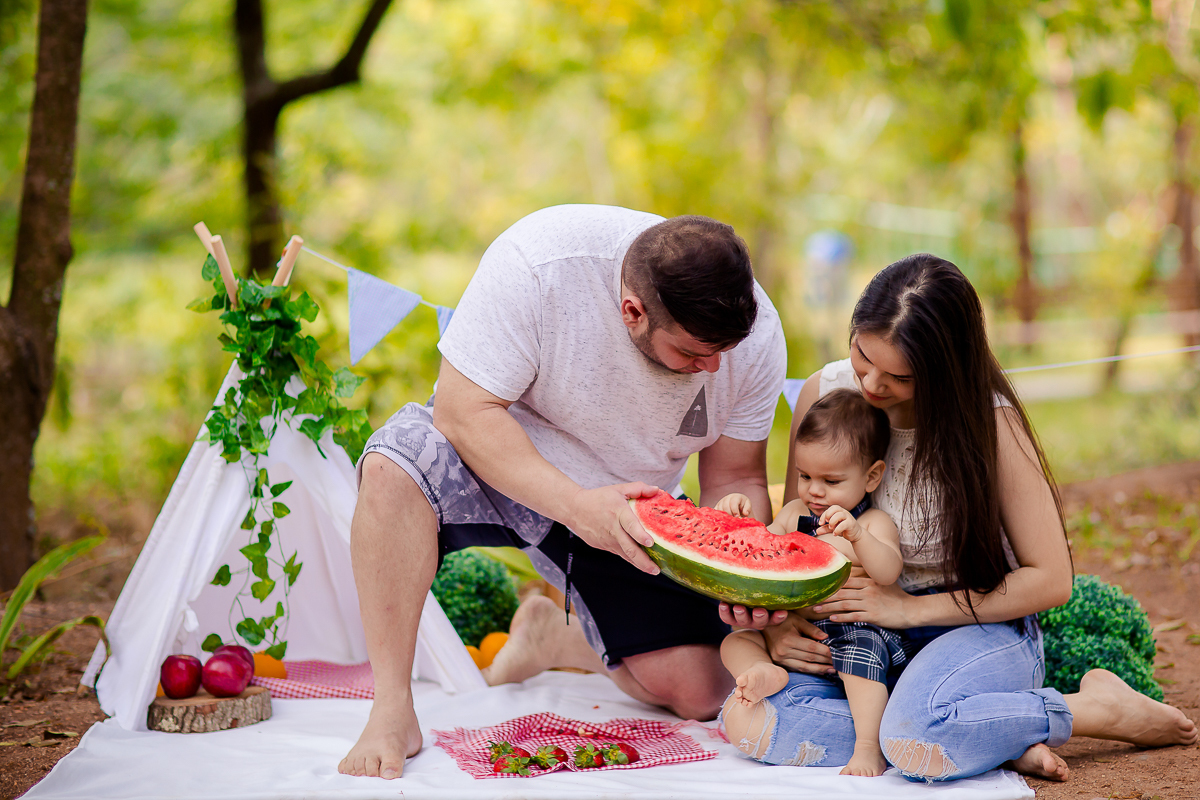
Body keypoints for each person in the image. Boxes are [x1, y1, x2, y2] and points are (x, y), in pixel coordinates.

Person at [337, 205, 787, 779]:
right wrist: (577, 506)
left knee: (703, 689)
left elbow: (736, 476)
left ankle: (558, 638)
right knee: (391, 466)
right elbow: (460, 411)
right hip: (495, 459)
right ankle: (392, 708)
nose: (716, 368)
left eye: (724, 351)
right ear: (633, 311)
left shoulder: (751, 333)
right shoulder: (538, 264)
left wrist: (745, 574)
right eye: (696, 354)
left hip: (625, 508)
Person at [717, 253, 1197, 781]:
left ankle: (1090, 709)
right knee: (751, 718)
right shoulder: (825, 394)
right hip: (861, 639)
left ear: (944, 370)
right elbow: (800, 535)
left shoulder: (989, 425)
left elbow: (1052, 580)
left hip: (976, 623)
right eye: (862, 355)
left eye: (898, 375)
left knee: (912, 735)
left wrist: (906, 609)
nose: (871, 384)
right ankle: (987, 731)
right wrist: (788, 625)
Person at [717, 388, 909, 776]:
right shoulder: (793, 513)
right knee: (735, 639)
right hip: (798, 635)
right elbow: (760, 554)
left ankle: (868, 745)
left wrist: (858, 537)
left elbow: (889, 571)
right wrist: (737, 521)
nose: (814, 491)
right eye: (805, 476)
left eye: (831, 480)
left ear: (871, 476)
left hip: (854, 631)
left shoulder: (872, 523)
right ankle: (765, 672)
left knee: (862, 653)